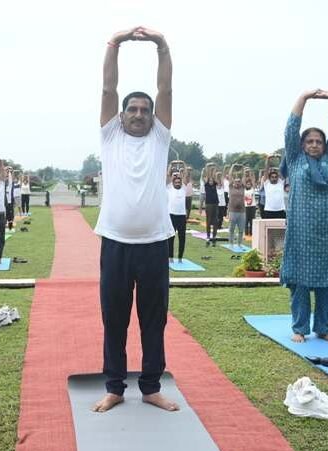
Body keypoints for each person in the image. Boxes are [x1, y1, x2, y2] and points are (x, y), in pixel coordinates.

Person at [91, 26, 178, 413]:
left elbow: (167, 91)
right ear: (122, 116)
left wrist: (161, 46)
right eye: (133, 109)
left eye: (145, 110)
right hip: (116, 243)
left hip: (155, 244)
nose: (139, 114)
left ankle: (150, 387)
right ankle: (114, 386)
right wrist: (116, 43)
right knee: (114, 319)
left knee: (153, 322)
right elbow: (108, 89)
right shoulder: (111, 137)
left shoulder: (160, 138)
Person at [282, 89, 328, 344]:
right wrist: (304, 97)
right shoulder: (295, 159)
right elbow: (290, 128)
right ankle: (299, 329)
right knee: (300, 283)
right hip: (302, 234)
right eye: (309, 141)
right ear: (301, 145)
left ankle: (323, 327)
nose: (314, 145)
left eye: (319, 141)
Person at [166, 164, 188, 263]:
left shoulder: (183, 188)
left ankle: (180, 258)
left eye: (179, 182)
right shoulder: (169, 188)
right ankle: (170, 258)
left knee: (182, 238)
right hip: (171, 215)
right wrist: (171, 165)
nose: (178, 183)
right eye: (176, 182)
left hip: (182, 216)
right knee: (171, 237)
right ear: (173, 182)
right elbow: (168, 176)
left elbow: (186, 175)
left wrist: (183, 164)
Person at [226, 165, 248, 249]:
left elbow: (243, 176)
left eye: (239, 181)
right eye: (236, 181)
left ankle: (239, 243)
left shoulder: (242, 187)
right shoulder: (231, 187)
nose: (238, 182)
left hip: (242, 211)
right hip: (232, 211)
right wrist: (233, 166)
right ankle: (231, 243)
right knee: (231, 229)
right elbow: (230, 175)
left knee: (241, 229)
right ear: (234, 182)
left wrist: (242, 169)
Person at [202, 164, 221, 246]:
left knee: (215, 221)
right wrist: (208, 168)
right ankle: (208, 236)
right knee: (208, 221)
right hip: (208, 204)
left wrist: (214, 169)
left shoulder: (214, 184)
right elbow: (207, 176)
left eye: (211, 180)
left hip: (215, 204)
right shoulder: (206, 185)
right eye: (209, 180)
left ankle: (214, 237)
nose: (210, 181)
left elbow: (214, 176)